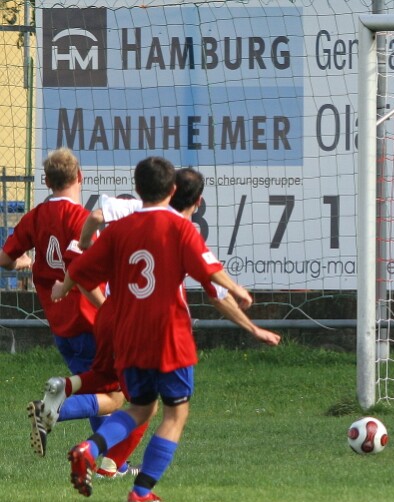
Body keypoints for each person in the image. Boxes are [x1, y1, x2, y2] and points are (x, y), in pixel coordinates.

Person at [32, 167, 280, 475]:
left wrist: (77, 262)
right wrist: (250, 324)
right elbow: (216, 288)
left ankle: (70, 399)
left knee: (112, 386)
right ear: (196, 202)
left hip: (112, 316)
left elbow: (90, 232)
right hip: (152, 326)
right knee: (142, 404)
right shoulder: (180, 230)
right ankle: (105, 459)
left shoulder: (131, 211)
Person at [0, 147, 114, 455]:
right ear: (80, 176)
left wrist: (23, 262)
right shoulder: (81, 220)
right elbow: (85, 275)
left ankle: (110, 462)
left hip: (60, 325)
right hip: (89, 319)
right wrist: (109, 311)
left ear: (47, 182)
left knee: (96, 389)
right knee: (116, 393)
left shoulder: (35, 217)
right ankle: (51, 411)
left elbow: (5, 259)